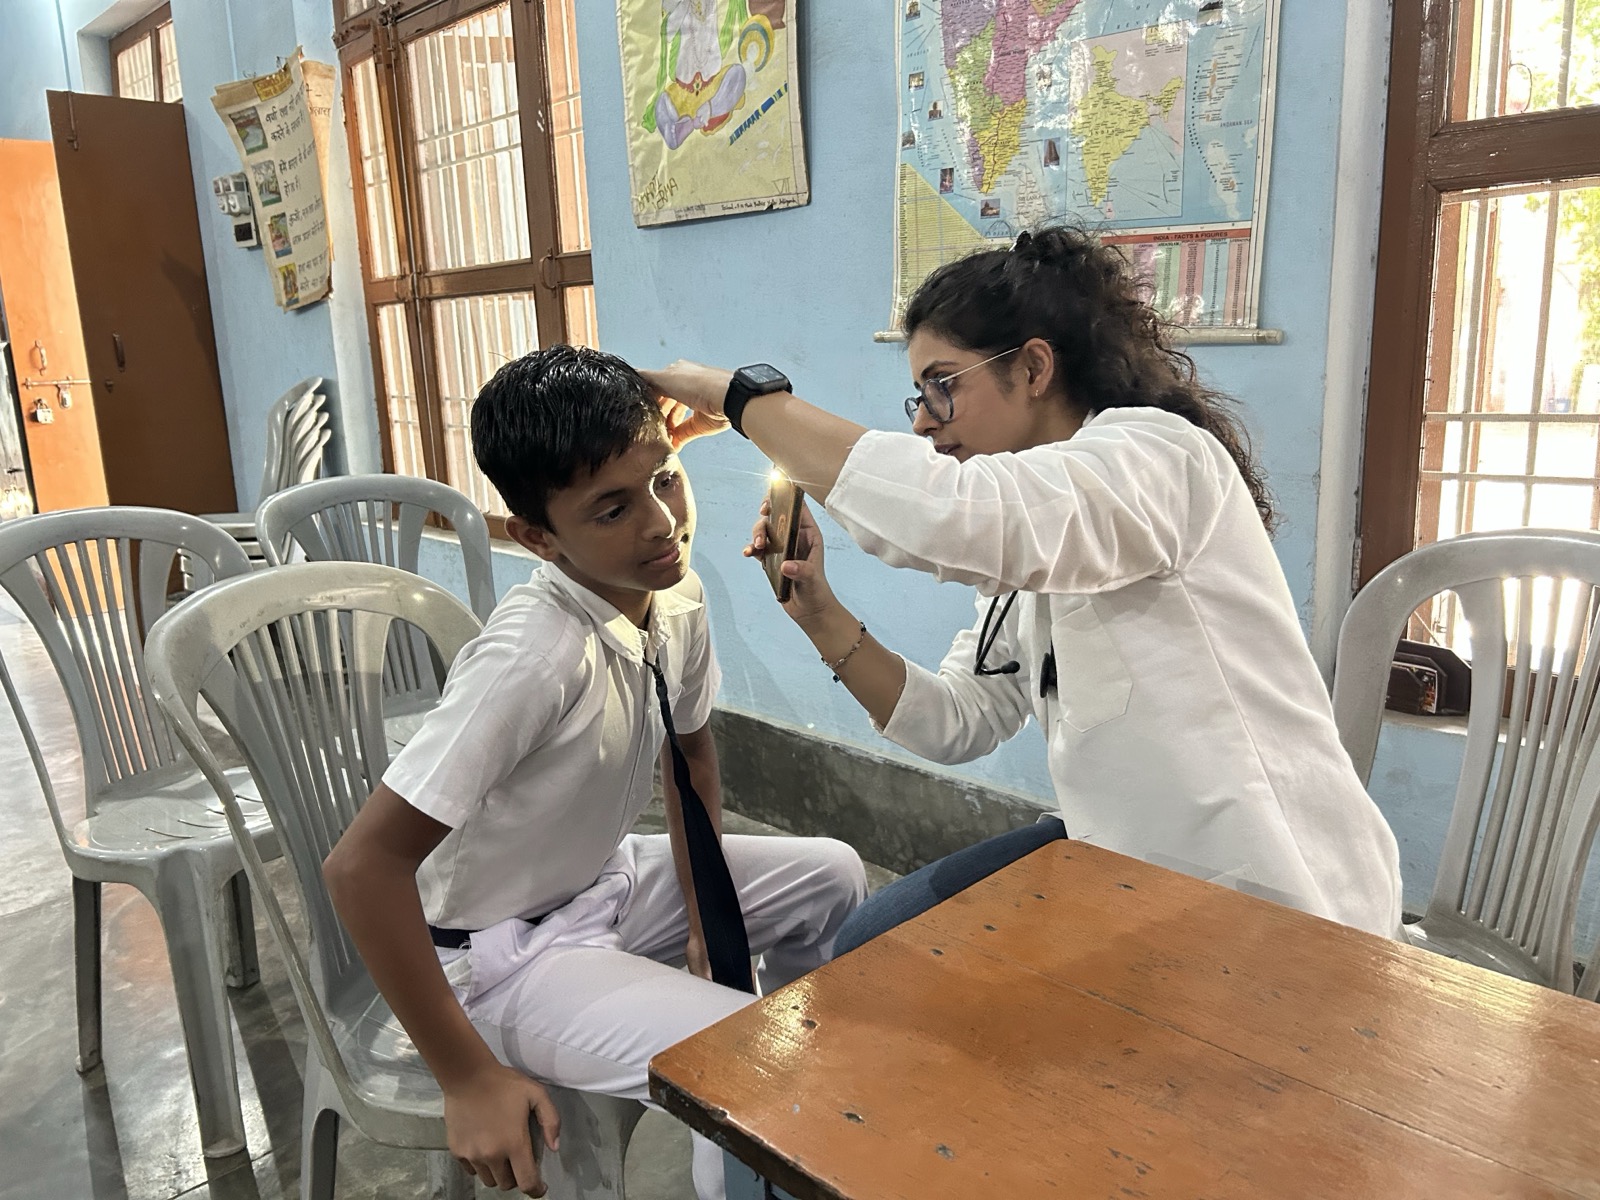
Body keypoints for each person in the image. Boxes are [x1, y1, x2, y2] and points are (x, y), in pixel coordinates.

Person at [642, 226, 1402, 955]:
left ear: (1034, 369)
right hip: (1125, 862)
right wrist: (820, 615)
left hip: (1270, 891)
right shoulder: (1034, 546)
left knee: (929, 986)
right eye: (919, 395)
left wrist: (739, 397)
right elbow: (957, 720)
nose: (925, 425)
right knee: (870, 944)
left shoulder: (1159, 457)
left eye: (942, 387)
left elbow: (951, 515)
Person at [323, 345, 867, 1199]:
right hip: (501, 957)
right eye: (611, 509)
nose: (659, 523)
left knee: (832, 877)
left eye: (665, 479)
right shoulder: (530, 657)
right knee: (747, 1064)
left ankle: (803, 1128)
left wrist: (701, 914)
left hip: (602, 885)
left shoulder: (672, 599)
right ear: (537, 537)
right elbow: (360, 868)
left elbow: (690, 754)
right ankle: (769, 1125)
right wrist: (466, 1078)